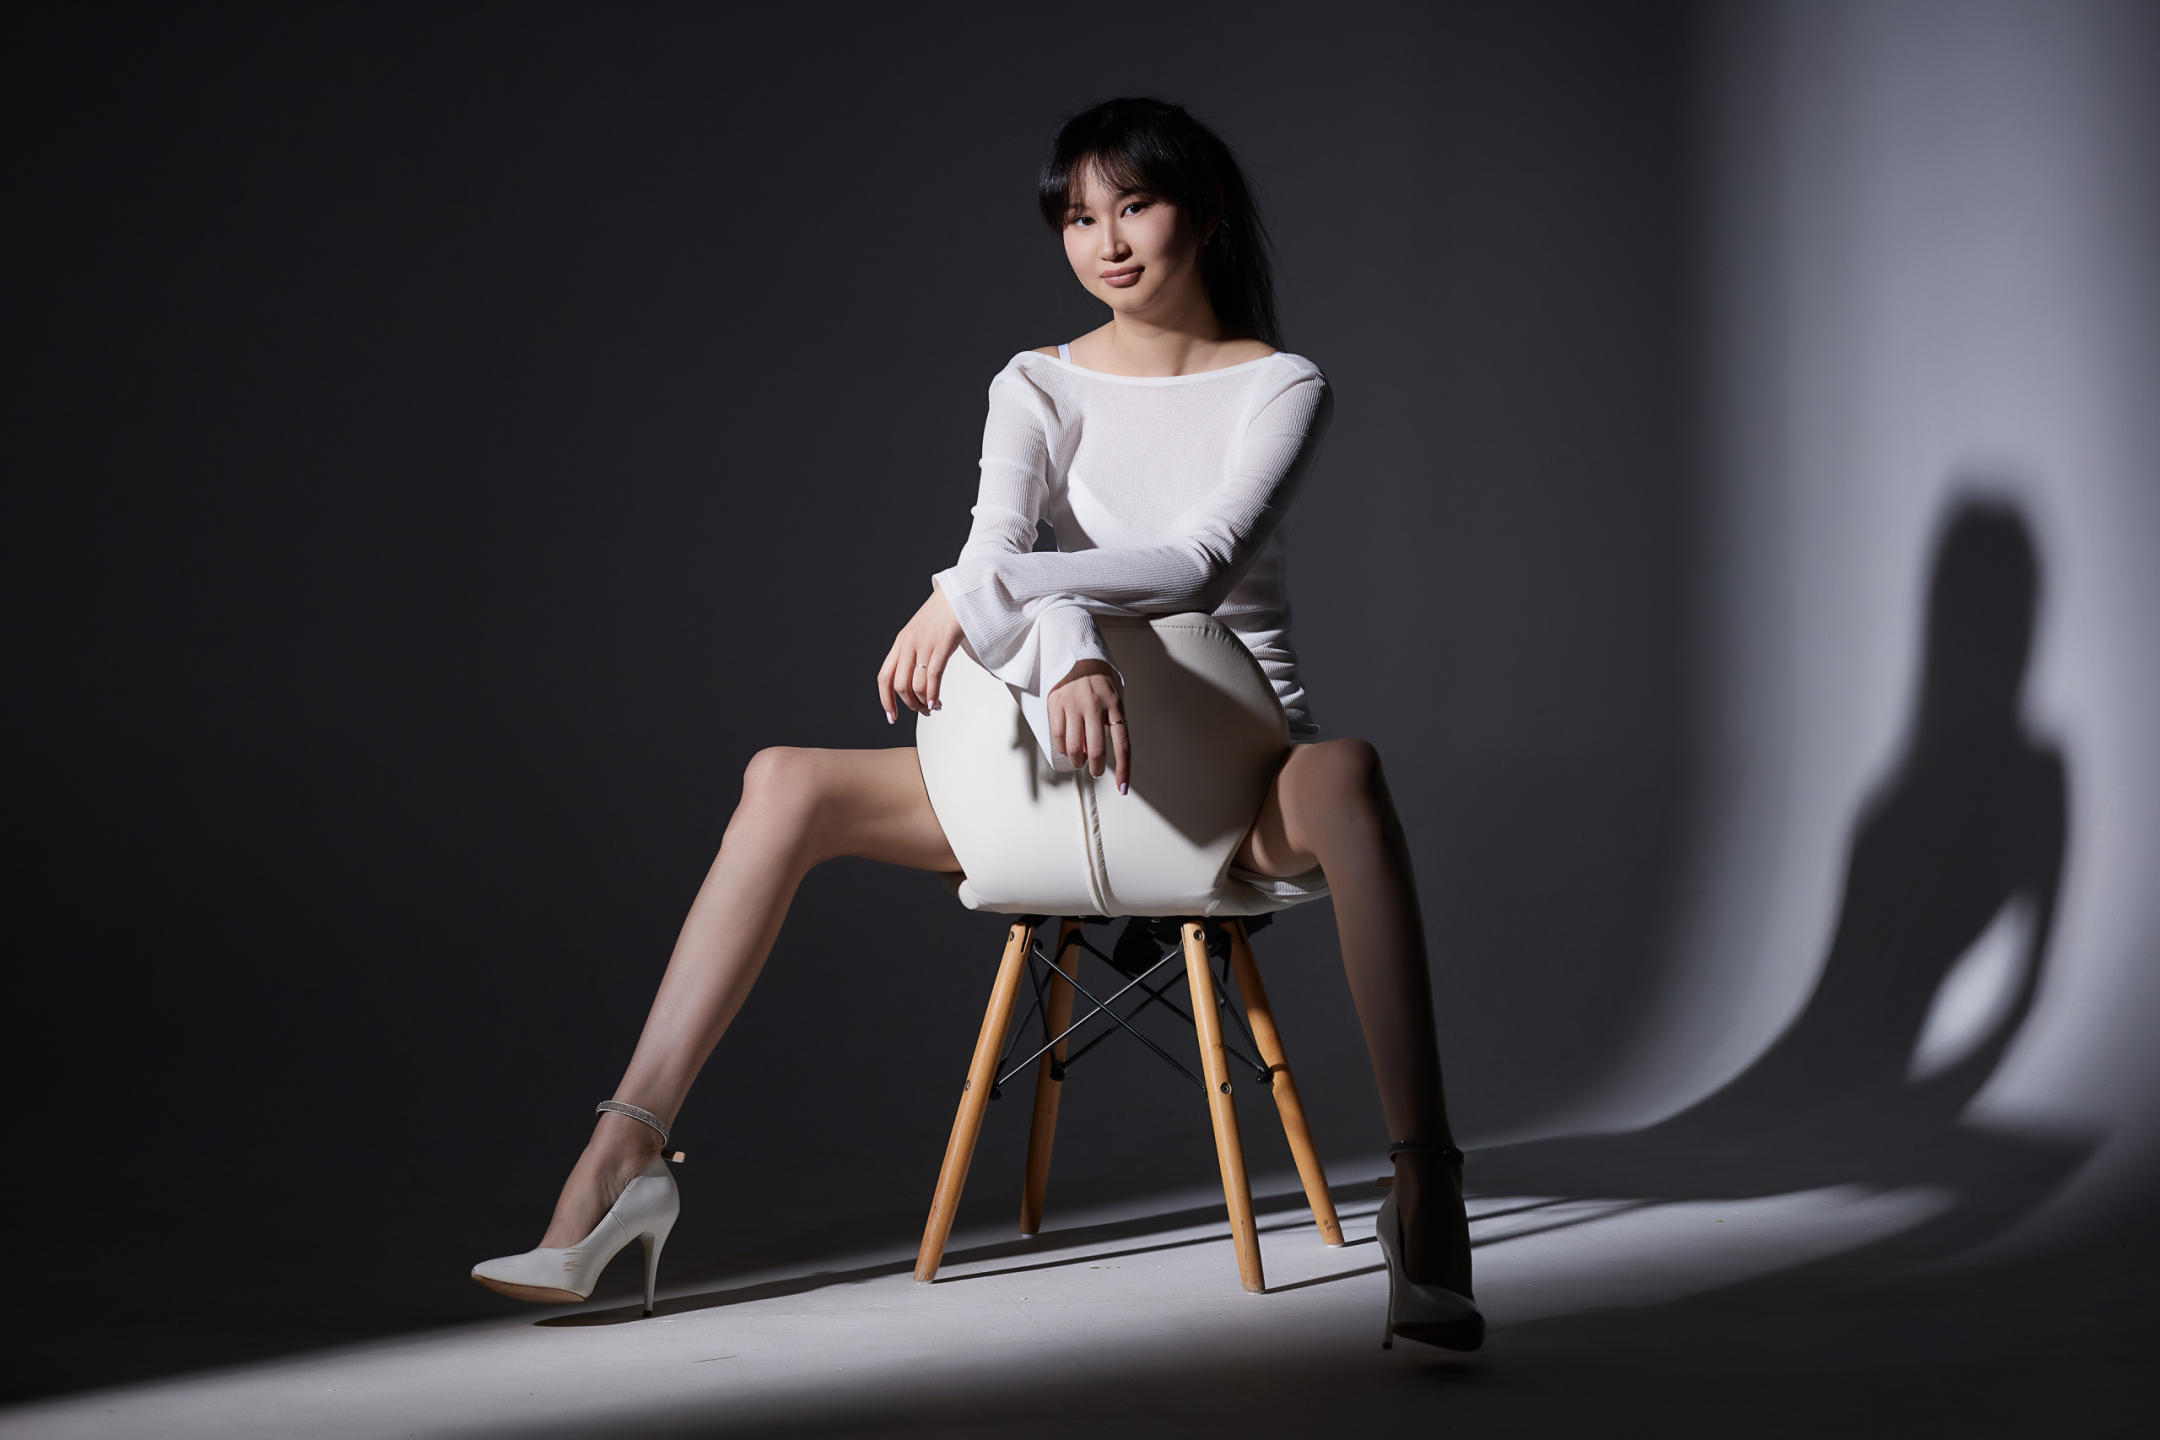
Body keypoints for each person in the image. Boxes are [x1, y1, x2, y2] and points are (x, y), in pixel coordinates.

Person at [470, 95, 1482, 1351]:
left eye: (1136, 207)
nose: (1108, 242)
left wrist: (974, 592)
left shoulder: (1279, 383)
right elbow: (1001, 546)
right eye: (1080, 218)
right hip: (1047, 773)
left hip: (1222, 781)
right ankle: (622, 1152)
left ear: (1206, 212)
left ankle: (1425, 1187)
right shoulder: (1036, 382)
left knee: (1346, 774)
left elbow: (1195, 566)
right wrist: (1060, 641)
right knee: (784, 780)